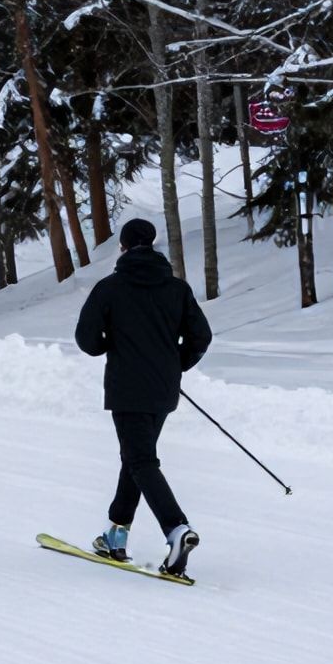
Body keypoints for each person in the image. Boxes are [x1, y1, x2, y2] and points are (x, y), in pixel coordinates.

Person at [74, 217, 213, 580]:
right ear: (153, 245)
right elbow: (201, 336)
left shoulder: (110, 287)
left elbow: (86, 339)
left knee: (140, 460)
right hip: (162, 390)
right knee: (135, 458)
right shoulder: (176, 288)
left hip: (127, 387)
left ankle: (177, 529)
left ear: (122, 247)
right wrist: (175, 363)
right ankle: (115, 535)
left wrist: (110, 344)